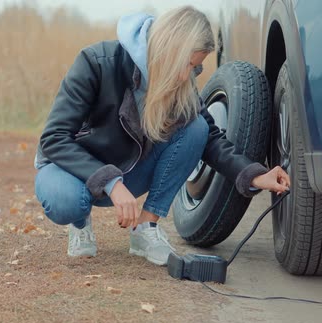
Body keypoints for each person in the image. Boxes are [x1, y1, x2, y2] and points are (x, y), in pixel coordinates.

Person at [34, 6, 290, 266]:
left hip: (127, 169)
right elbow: (54, 138)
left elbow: (210, 138)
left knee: (197, 127)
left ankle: (146, 228)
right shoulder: (97, 62)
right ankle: (80, 224)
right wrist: (111, 183)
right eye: (188, 64)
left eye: (196, 67)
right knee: (67, 202)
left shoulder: (180, 82)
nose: (187, 75)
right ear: (170, 48)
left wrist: (254, 174)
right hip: (70, 171)